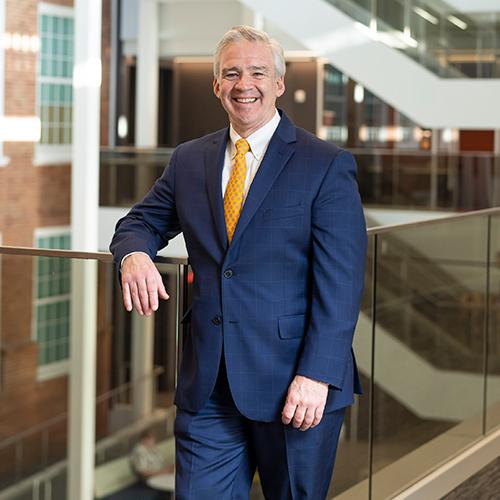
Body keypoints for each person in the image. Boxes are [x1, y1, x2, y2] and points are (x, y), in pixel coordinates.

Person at [110, 25, 367, 500]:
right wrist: (133, 256)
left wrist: (318, 375)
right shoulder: (189, 159)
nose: (242, 84)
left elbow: (342, 282)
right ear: (216, 86)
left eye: (256, 72)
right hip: (208, 385)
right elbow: (138, 223)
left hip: (294, 386)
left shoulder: (325, 163)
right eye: (230, 73)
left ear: (278, 83)